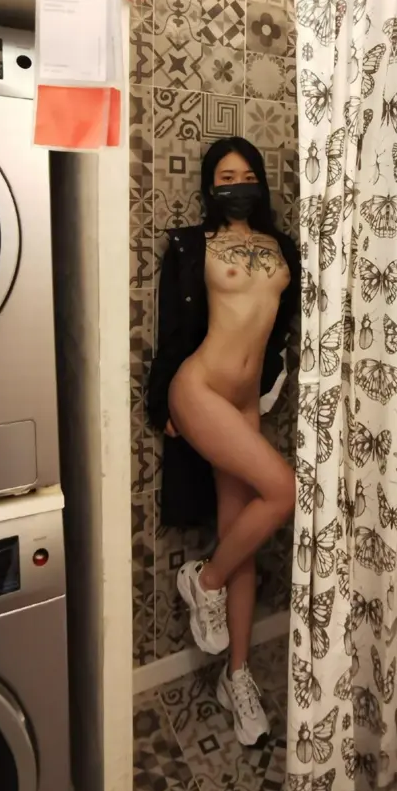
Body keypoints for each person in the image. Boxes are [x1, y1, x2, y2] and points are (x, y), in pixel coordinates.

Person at [147, 136, 300, 745]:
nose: (236, 185)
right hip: (200, 389)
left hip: (244, 403)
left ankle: (235, 678)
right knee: (284, 491)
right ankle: (203, 581)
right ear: (211, 187)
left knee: (243, 535)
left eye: (245, 175)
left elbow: (280, 328)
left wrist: (273, 380)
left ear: (259, 182)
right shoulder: (194, 244)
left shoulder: (282, 248)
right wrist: (162, 403)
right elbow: (171, 327)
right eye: (224, 177)